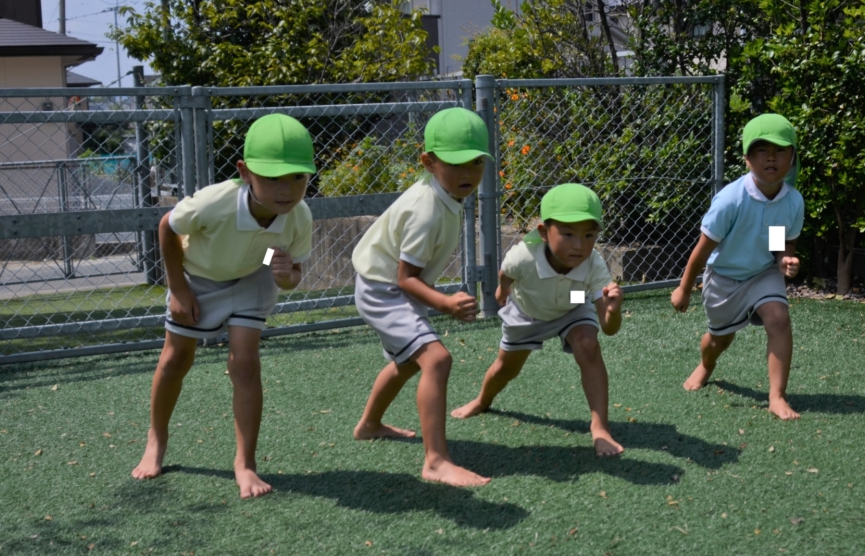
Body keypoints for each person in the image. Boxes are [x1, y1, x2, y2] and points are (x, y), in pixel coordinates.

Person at [132, 113, 315, 497]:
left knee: (244, 363)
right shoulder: (215, 202)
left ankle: (245, 464)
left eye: (298, 177)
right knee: (176, 360)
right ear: (245, 172)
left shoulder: (298, 215)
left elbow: (290, 272)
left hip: (253, 277)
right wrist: (178, 290)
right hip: (198, 277)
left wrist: (284, 274)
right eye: (272, 177)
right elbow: (167, 227)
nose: (286, 189)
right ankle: (156, 439)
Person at [350, 107, 492, 487]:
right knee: (437, 359)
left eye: (477, 162)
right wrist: (445, 303)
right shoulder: (427, 209)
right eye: (456, 163)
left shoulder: (443, 195)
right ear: (429, 162)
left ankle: (369, 425)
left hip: (387, 287)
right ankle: (436, 462)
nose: (468, 172)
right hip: (383, 290)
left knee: (409, 362)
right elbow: (406, 278)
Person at [453, 183, 625, 456]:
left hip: (572, 303)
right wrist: (502, 292)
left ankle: (600, 427)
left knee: (588, 346)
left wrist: (612, 312)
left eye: (589, 235)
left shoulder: (593, 263)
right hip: (527, 310)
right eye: (568, 234)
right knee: (505, 369)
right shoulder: (524, 256)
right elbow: (506, 273)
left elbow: (609, 328)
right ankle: (482, 400)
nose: (579, 245)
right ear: (544, 232)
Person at [671, 113, 804, 420]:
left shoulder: (793, 201)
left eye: (780, 150)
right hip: (724, 278)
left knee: (779, 319)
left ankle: (777, 397)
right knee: (720, 340)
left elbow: (779, 240)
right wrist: (684, 289)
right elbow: (703, 250)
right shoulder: (730, 200)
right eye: (761, 150)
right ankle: (706, 364)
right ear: (746, 159)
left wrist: (785, 261)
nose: (771, 157)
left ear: (793, 158)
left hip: (762, 273)